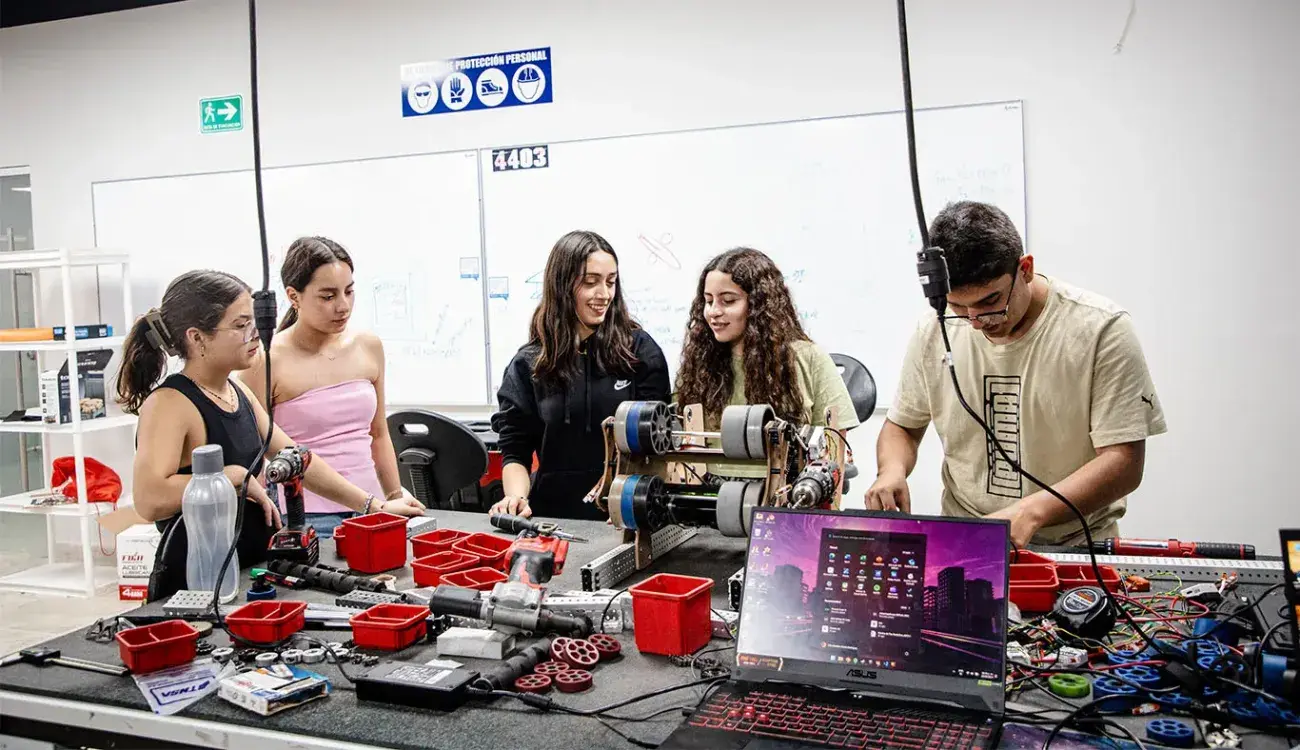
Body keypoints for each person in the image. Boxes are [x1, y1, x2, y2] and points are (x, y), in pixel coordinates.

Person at [866, 201, 1166, 548]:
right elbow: (903, 426)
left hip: (1077, 546)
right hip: (970, 539)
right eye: (958, 307)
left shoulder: (1101, 330)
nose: (976, 322)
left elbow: (1123, 462)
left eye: (989, 302)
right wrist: (891, 470)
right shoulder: (935, 330)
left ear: (1025, 269)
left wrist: (1031, 512)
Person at [117, 270, 425, 600]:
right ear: (197, 338)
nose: (255, 334)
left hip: (248, 570)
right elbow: (149, 499)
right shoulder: (170, 403)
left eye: (253, 322)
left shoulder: (236, 393)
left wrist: (374, 505)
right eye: (240, 325)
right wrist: (233, 477)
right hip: (200, 587)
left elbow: (298, 460)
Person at [241, 236, 414, 539]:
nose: (343, 306)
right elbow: (254, 450)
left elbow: (378, 434)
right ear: (293, 296)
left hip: (375, 509)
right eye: (328, 296)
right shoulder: (264, 360)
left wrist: (395, 496)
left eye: (349, 291)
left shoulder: (368, 346)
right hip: (306, 517)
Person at [490, 230, 671, 520]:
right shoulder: (529, 364)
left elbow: (658, 444)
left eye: (610, 282)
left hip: (623, 515)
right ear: (562, 285)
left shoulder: (639, 351)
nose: (604, 294)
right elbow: (515, 451)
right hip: (552, 517)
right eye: (590, 282)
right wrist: (516, 498)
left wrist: (625, 489)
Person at [674, 247, 859, 480]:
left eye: (728, 301)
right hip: (711, 490)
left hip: (786, 491)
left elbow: (834, 446)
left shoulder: (808, 358)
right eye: (708, 301)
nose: (713, 312)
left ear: (758, 304)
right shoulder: (699, 362)